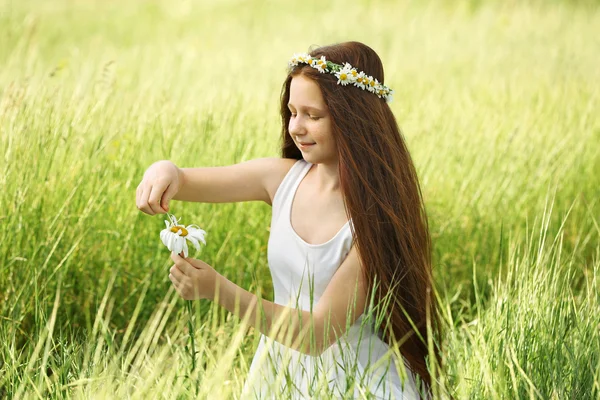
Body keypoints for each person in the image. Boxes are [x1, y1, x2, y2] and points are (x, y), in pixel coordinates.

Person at [136, 41, 441, 399]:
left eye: (313, 115)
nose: (297, 127)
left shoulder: (375, 221)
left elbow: (317, 335)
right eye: (292, 112)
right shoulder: (282, 178)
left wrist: (217, 290)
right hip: (280, 374)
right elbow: (185, 180)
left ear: (353, 118)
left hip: (354, 381)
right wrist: (164, 170)